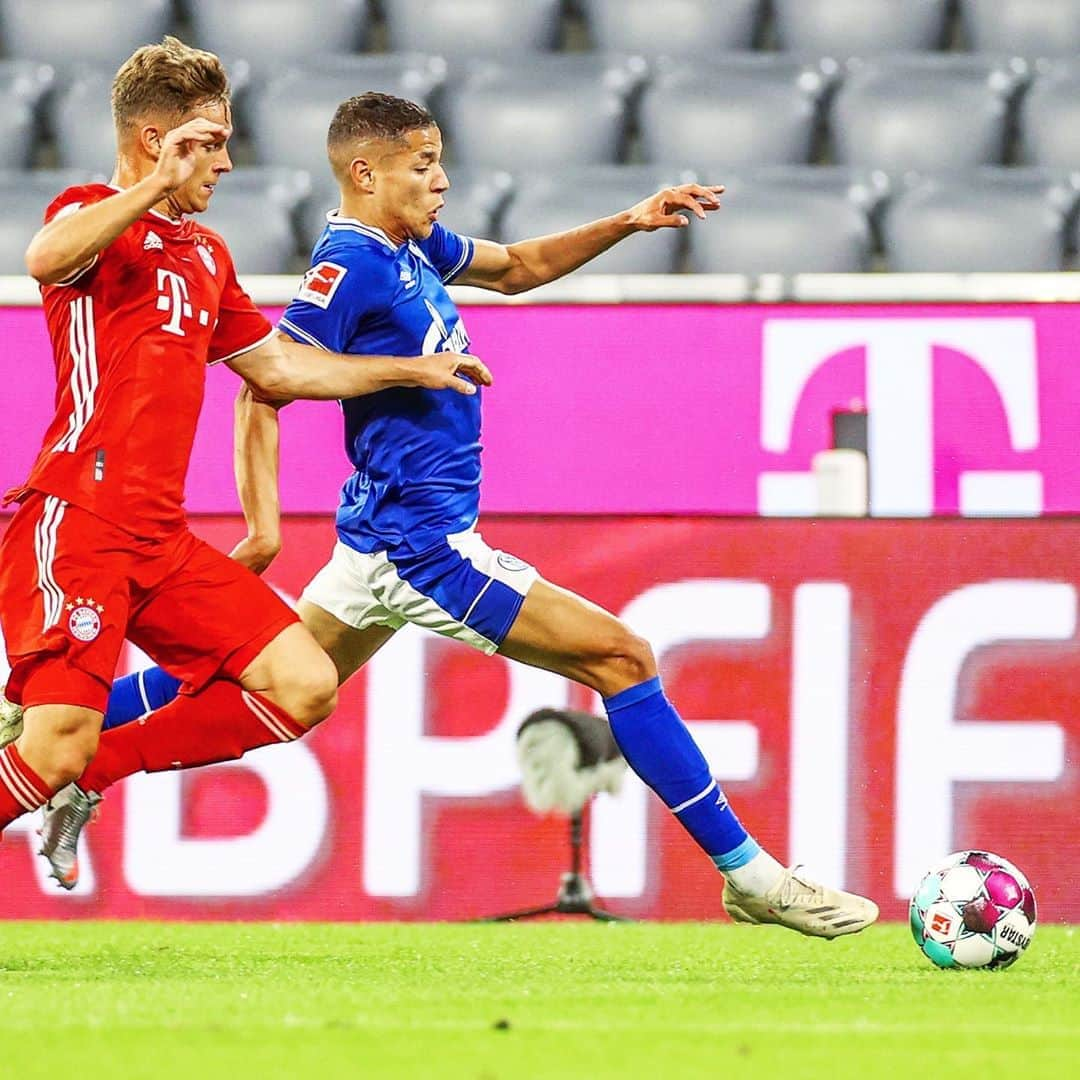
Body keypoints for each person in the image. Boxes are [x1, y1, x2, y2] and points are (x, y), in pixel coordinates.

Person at [18, 92, 878, 938]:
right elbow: (267, 384)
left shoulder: (415, 244)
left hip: (372, 543)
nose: (440, 181)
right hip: (419, 546)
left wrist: (630, 220)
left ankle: (57, 745)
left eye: (439, 162)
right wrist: (267, 520)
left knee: (272, 675)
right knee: (623, 657)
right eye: (423, 165)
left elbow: (518, 269)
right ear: (367, 172)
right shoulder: (348, 265)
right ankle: (752, 877)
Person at [0, 49, 490, 860]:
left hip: (159, 540)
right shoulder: (91, 212)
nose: (227, 161)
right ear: (157, 139)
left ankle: (101, 773)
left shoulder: (206, 256)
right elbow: (44, 260)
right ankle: (66, 762)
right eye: (209, 142)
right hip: (77, 520)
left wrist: (413, 367)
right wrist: (156, 184)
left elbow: (277, 369)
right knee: (53, 747)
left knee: (305, 684)